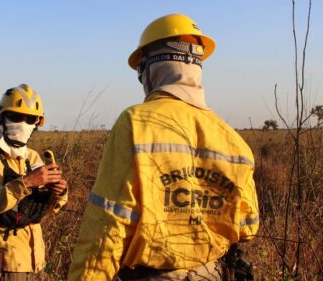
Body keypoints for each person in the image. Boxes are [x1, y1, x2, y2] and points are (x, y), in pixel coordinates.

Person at [68, 14, 259, 281]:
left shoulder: (136, 123)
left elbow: (108, 223)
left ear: (151, 69)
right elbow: (247, 226)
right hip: (214, 273)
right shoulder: (233, 140)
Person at [0, 83, 68, 281]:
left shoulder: (31, 156)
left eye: (29, 119)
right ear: (1, 118)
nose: (23, 123)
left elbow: (41, 209)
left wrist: (59, 192)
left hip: (36, 263)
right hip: (5, 265)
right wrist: (26, 183)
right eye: (16, 116)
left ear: (37, 122)